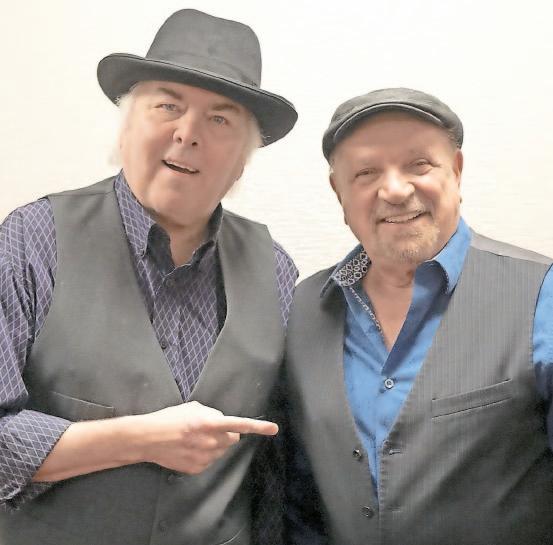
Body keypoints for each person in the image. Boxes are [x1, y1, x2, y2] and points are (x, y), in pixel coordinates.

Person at [0, 9, 298, 545]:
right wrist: (138, 439)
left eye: (220, 120)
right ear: (127, 126)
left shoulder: (276, 271)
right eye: (168, 106)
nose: (187, 134)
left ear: (243, 161)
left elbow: (272, 469)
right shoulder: (31, 240)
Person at [285, 88, 553, 545]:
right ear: (339, 191)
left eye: (419, 164)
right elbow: (300, 498)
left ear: (457, 171)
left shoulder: (540, 295)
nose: (395, 189)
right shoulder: (303, 309)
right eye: (366, 172)